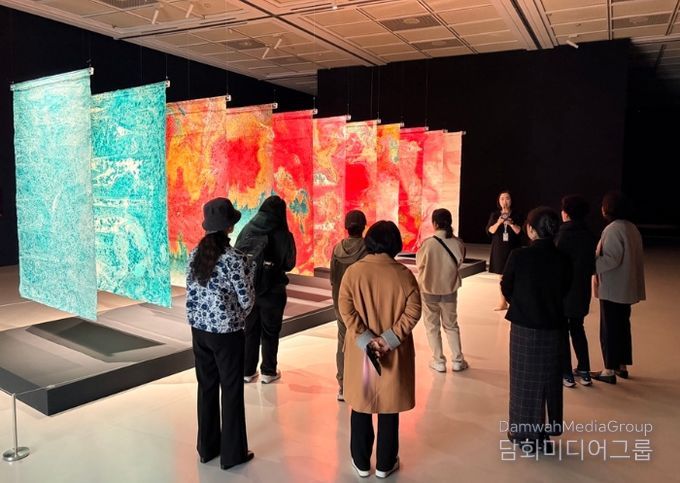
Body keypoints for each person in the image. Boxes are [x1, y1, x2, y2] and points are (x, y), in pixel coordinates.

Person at [339, 221, 421, 479]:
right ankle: (386, 463)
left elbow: (345, 309)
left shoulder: (353, 273)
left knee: (361, 405)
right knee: (389, 407)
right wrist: (387, 340)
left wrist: (366, 339)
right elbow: (414, 311)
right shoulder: (404, 275)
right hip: (392, 352)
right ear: (395, 244)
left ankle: (361, 462)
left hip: (361, 353)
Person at [186, 197, 255, 470]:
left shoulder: (194, 254)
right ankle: (232, 454)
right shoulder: (235, 259)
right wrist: (237, 315)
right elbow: (247, 299)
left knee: (206, 387)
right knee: (231, 390)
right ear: (229, 226)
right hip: (227, 333)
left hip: (199, 330)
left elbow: (191, 291)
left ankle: (207, 448)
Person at [501, 207, 571, 453]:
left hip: (524, 325)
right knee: (549, 379)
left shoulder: (519, 256)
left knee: (524, 381)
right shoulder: (563, 258)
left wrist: (521, 303)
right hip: (553, 325)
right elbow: (566, 288)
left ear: (530, 230)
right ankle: (545, 429)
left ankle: (523, 433)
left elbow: (506, 286)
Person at [237, 195, 296, 384]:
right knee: (270, 332)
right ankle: (268, 372)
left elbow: (238, 255)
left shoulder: (248, 229)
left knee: (250, 331)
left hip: (250, 290)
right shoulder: (284, 234)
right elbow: (289, 264)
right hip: (273, 291)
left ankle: (247, 371)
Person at [592, 191, 645, 384]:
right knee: (622, 326)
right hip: (626, 287)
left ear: (608, 209)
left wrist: (591, 264)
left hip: (613, 288)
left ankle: (608, 370)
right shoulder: (631, 227)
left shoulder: (613, 229)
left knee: (609, 329)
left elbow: (611, 259)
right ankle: (621, 365)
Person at [416, 208, 468, 373]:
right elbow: (459, 263)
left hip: (429, 289)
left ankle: (438, 361)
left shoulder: (427, 244)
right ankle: (458, 360)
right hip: (449, 289)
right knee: (451, 325)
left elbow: (419, 264)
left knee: (432, 326)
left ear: (435, 223)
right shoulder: (458, 243)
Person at [555, 195, 597, 387]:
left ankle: (566, 374)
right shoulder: (589, 235)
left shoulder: (562, 235)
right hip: (581, 290)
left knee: (562, 331)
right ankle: (584, 370)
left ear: (565, 213)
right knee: (578, 328)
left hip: (563, 290)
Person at [330, 210, 368, 402]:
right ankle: (363, 384)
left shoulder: (337, 249)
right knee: (364, 341)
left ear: (346, 227)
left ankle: (343, 386)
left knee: (342, 343)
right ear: (364, 226)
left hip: (340, 303)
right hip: (362, 304)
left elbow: (332, 279)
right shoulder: (368, 249)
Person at [486, 190, 524, 310]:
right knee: (501, 277)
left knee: (515, 276)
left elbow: (520, 232)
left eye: (507, 198)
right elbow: (490, 231)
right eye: (502, 199)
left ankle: (515, 302)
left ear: (511, 200)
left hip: (513, 248)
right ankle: (503, 302)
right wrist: (499, 222)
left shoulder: (517, 214)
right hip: (499, 248)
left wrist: (511, 224)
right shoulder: (495, 214)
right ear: (499, 201)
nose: (504, 201)